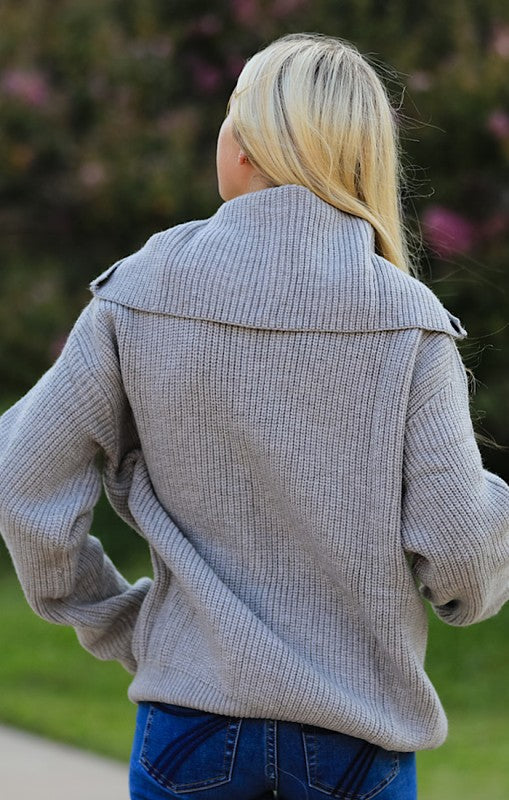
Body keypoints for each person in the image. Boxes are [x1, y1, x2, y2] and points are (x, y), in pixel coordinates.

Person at [0, 30, 508, 800]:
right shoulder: (408, 322)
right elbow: (461, 565)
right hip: (355, 743)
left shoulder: (140, 289)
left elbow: (22, 479)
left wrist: (120, 620)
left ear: (243, 146)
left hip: (189, 728)